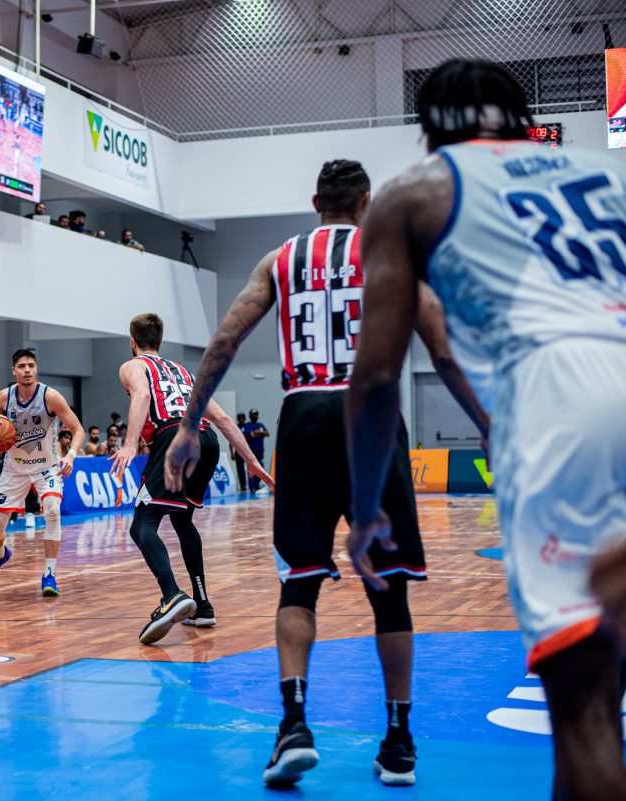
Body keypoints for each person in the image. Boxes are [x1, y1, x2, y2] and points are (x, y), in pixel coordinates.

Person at [344, 60, 626, 800]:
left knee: (588, 712)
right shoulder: (609, 170)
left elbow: (375, 378)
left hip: (564, 404)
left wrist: (367, 508)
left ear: (429, 130)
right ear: (523, 116)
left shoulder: (417, 190)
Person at [167, 158, 485, 788]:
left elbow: (225, 342)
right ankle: (398, 740)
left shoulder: (280, 260)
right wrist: (488, 424)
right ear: (367, 203)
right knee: (389, 589)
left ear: (316, 203)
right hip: (375, 414)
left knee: (299, 583)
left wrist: (188, 426)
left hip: (306, 415)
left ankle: (293, 725)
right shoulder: (393, 256)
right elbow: (445, 352)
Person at [110, 313, 272, 647]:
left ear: (132, 342)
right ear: (160, 340)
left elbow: (141, 397)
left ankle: (171, 595)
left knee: (142, 525)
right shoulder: (183, 373)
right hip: (208, 440)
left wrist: (129, 445)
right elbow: (222, 418)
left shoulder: (133, 366)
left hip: (174, 437)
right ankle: (203, 605)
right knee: (183, 520)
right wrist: (252, 462)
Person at [0, 348, 85, 596]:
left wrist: (71, 455)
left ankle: (49, 574)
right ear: (13, 371)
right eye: (22, 366)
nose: (27, 370)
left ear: (36, 369)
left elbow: (78, 429)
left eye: (31, 366)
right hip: (14, 469)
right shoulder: (4, 397)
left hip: (46, 467)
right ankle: (0, 556)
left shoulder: (50, 397)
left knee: (52, 511)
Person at [240, 409, 270, 492]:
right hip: (252, 452)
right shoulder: (247, 425)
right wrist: (261, 433)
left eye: (256, 414)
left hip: (260, 451)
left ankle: (257, 485)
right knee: (252, 468)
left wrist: (258, 432)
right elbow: (252, 434)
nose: (255, 416)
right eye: (253, 414)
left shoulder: (260, 425)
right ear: (250, 416)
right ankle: (252, 486)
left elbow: (267, 433)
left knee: (260, 468)